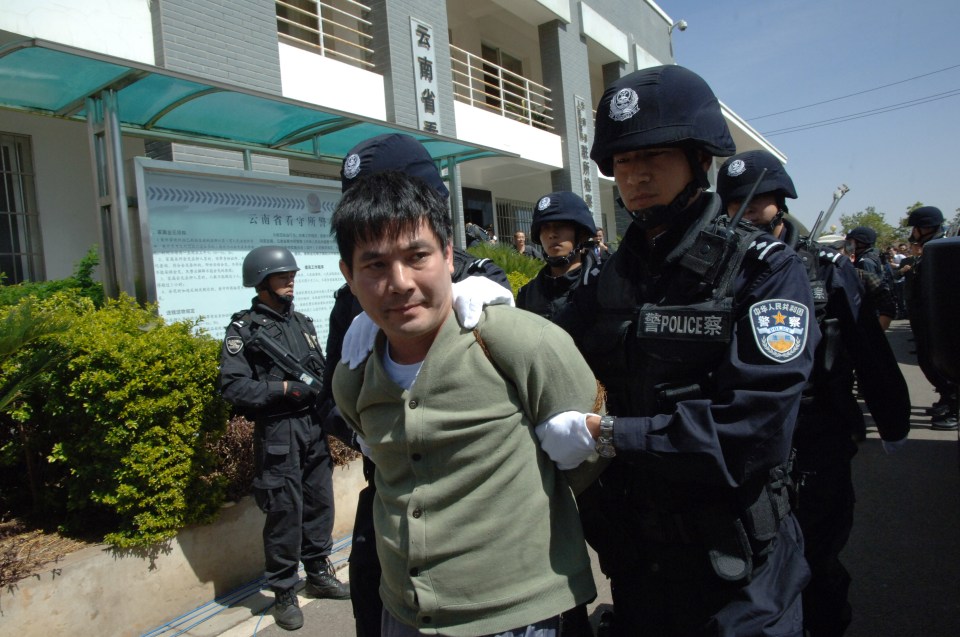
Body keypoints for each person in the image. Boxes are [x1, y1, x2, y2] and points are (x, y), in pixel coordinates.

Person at [555, 65, 819, 636]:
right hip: (636, 561)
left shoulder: (763, 272)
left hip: (737, 573)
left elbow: (756, 426)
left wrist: (609, 434)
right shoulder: (608, 279)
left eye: (654, 156)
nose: (635, 176)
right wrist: (468, 308)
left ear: (701, 159)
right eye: (623, 162)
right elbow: (547, 351)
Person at [330, 170, 602, 637]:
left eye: (418, 256)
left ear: (449, 255)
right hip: (403, 612)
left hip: (517, 617)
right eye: (374, 265)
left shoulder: (521, 342)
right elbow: (382, 458)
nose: (399, 283)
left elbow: (584, 457)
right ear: (348, 277)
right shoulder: (354, 372)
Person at [326, 132, 514, 637]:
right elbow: (334, 397)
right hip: (388, 499)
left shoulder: (480, 281)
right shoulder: (351, 300)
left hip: (479, 517)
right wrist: (371, 433)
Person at [718, 149, 910, 637]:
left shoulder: (826, 268)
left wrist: (892, 419)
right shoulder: (720, 266)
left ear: (780, 202)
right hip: (750, 440)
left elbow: (867, 345)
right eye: (734, 201)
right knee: (752, 565)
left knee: (819, 558)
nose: (745, 211)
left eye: (757, 200)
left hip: (817, 433)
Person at [218, 246, 350, 631]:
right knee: (283, 513)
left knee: (319, 502)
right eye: (281, 276)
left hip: (311, 425)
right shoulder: (243, 331)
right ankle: (284, 591)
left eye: (292, 275)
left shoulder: (303, 323)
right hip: (277, 431)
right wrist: (282, 389)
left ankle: (318, 572)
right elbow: (234, 387)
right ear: (261, 282)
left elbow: (321, 370)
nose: (290, 281)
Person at [904, 206, 958, 431]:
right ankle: (947, 399)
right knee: (929, 363)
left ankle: (953, 406)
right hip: (926, 320)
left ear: (924, 228)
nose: (913, 233)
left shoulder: (940, 250)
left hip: (936, 321)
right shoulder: (929, 249)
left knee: (941, 365)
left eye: (916, 228)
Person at [516, 191, 599, 323]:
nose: (552, 234)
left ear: (581, 234)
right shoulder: (527, 295)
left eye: (561, 226)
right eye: (545, 228)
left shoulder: (603, 284)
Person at [844, 227, 897, 330]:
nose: (848, 244)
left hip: (871, 309)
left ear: (860, 243)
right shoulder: (872, 256)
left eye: (851, 241)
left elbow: (867, 288)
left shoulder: (865, 261)